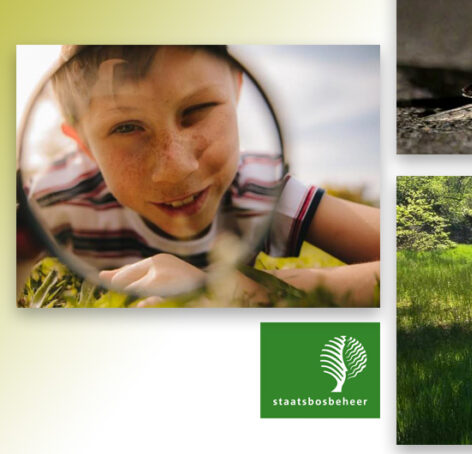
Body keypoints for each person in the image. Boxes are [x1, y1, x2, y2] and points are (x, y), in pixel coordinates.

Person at [24, 45, 379, 306]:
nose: (176, 168)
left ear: (236, 90)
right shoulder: (56, 200)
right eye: (127, 127)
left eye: (197, 109)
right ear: (83, 144)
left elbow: (427, 258)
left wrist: (244, 291)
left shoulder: (258, 191)